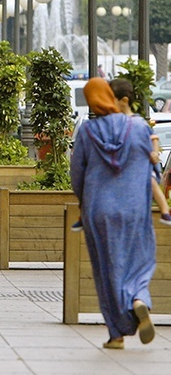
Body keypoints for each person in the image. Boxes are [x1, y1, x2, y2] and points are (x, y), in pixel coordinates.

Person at [70, 78, 156, 350]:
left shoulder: (87, 131)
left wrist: (82, 202)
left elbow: (77, 173)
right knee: (140, 259)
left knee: (107, 269)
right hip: (134, 207)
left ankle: (116, 334)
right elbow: (150, 167)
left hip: (99, 209)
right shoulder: (140, 127)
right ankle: (139, 298)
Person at [109, 78, 171, 225]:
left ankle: (165, 211)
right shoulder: (114, 123)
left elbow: (154, 138)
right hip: (124, 170)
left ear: (123, 100)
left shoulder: (139, 123)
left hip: (139, 168)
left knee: (151, 181)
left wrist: (155, 153)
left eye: (111, 99)